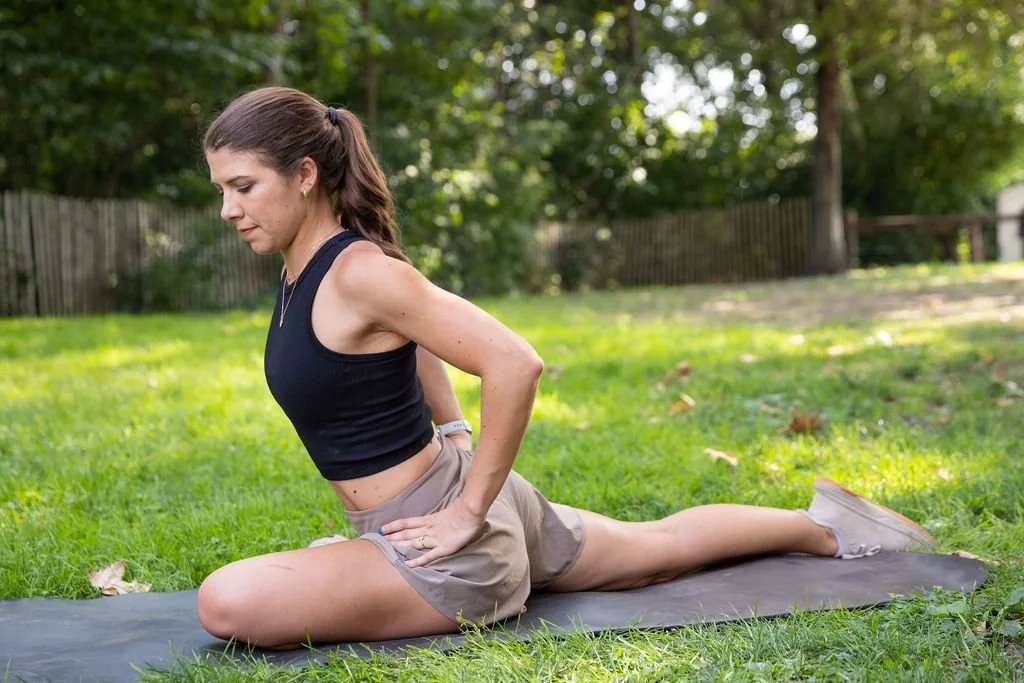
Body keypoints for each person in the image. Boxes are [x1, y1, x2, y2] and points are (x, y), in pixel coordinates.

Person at [197, 86, 937, 649]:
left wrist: (465, 509)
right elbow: (414, 338)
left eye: (243, 186)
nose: (228, 210)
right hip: (451, 502)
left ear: (302, 174)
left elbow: (515, 362)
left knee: (225, 601)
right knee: (657, 548)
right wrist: (453, 430)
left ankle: (466, 554)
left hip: (451, 545)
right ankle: (827, 529)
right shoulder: (312, 266)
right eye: (222, 190)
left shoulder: (358, 271)